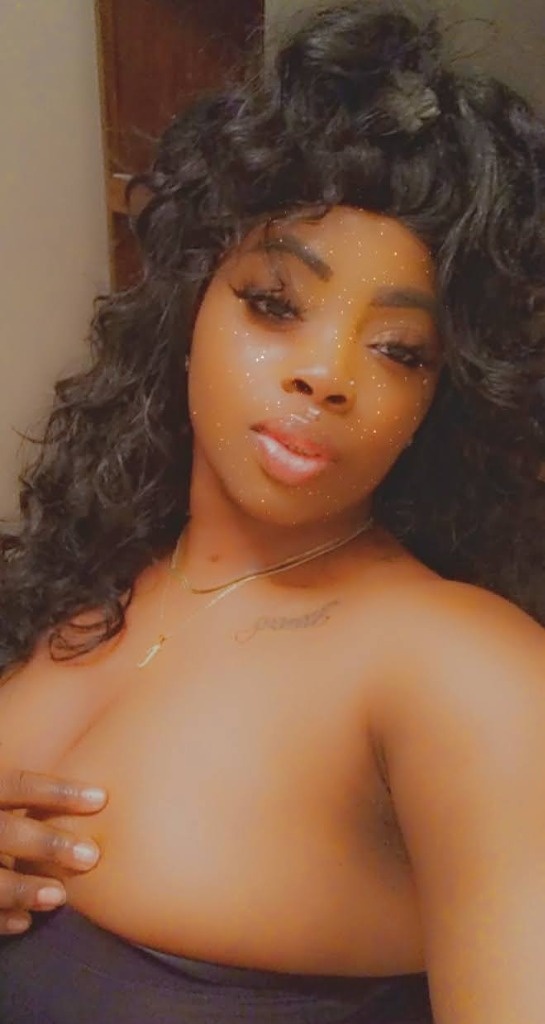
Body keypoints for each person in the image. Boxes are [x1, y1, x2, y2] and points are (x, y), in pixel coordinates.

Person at [0, 1, 544, 1020]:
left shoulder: (465, 674)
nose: (325, 375)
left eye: (398, 350)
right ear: (190, 303)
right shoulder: (89, 578)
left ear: (441, 396)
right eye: (275, 303)